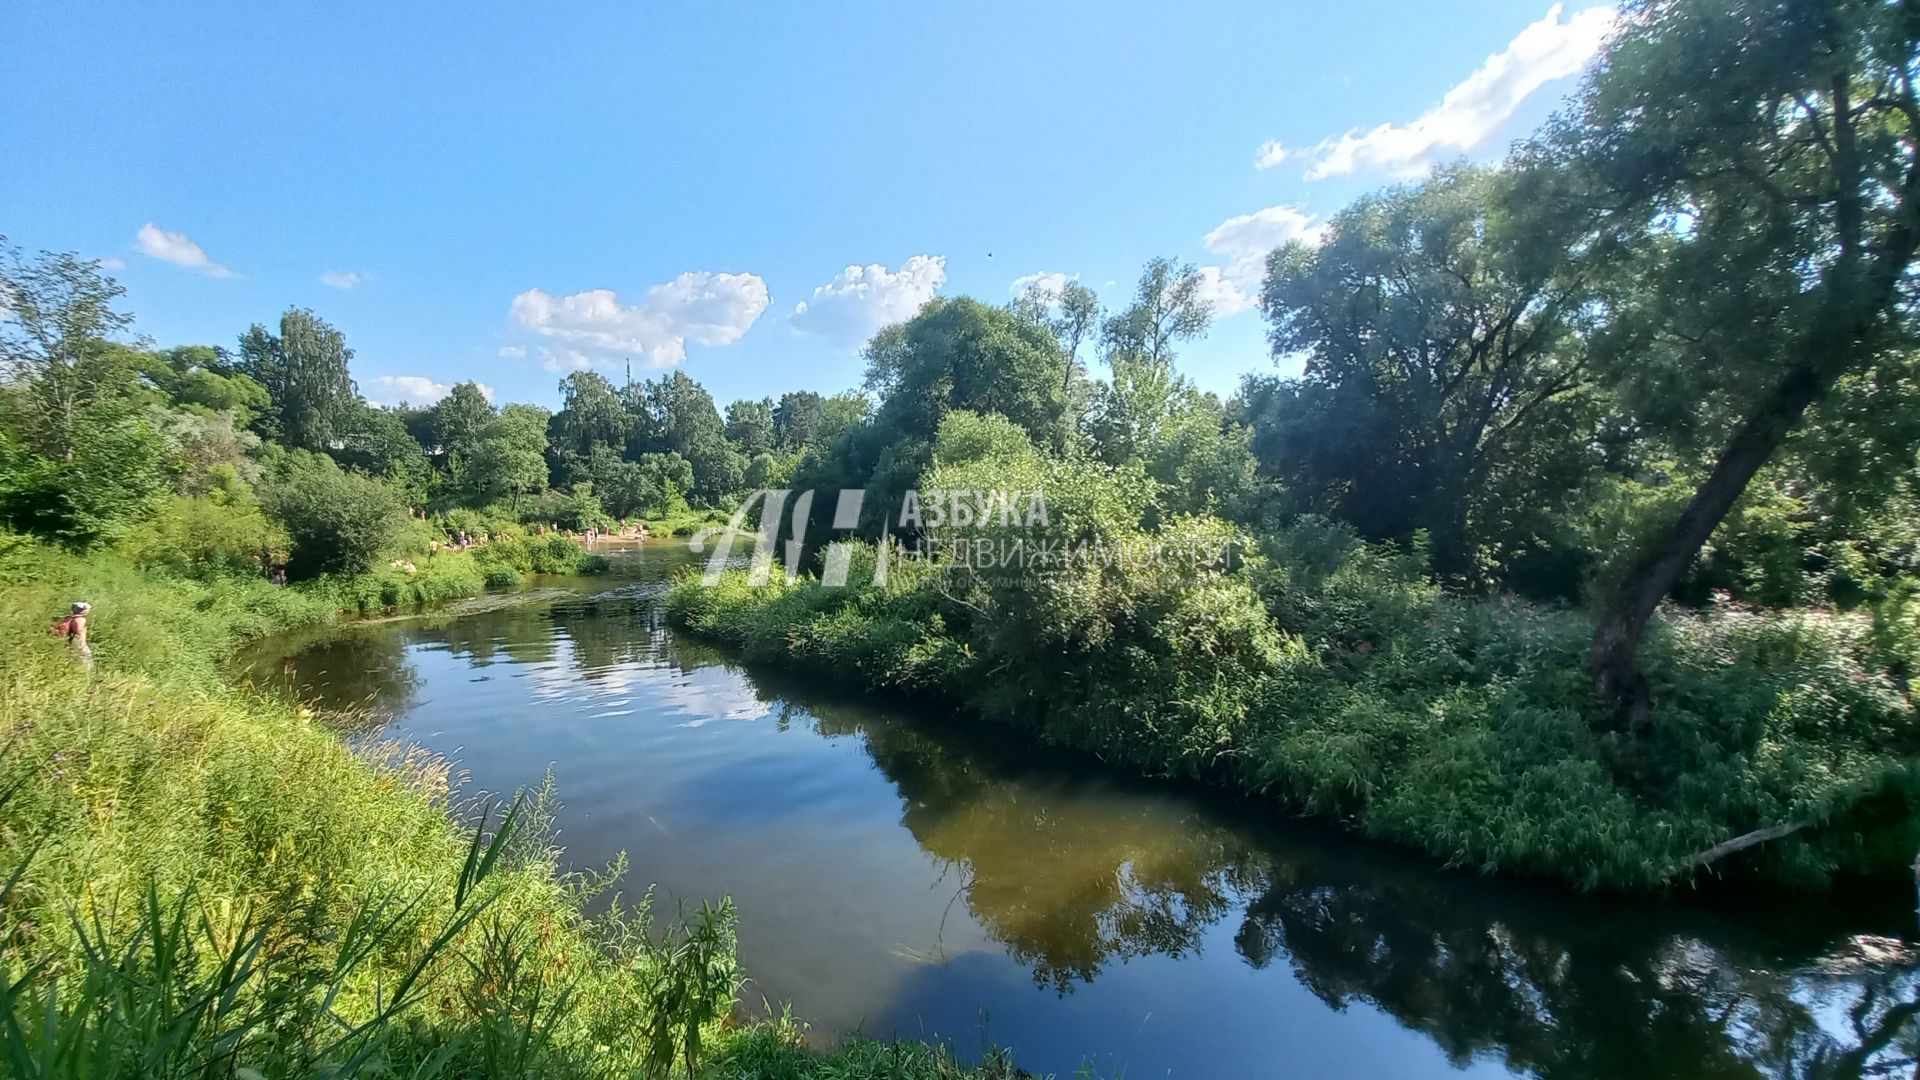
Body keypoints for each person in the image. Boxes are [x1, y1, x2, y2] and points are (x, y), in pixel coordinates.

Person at [52, 601, 92, 667]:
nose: (88, 611)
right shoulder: (80, 619)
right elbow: (79, 631)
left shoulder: (70, 618)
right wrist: (82, 646)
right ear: (82, 610)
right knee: (85, 664)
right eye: (87, 609)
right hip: (80, 645)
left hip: (71, 643)